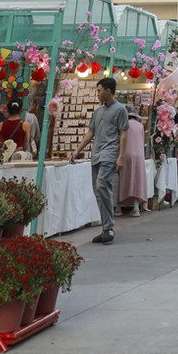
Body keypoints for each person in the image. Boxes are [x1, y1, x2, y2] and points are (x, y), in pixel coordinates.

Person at [69, 75, 129, 245]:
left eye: (99, 91)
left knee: (103, 184)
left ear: (108, 91)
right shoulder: (98, 112)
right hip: (96, 154)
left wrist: (121, 157)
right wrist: (77, 150)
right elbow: (90, 132)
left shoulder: (120, 110)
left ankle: (109, 227)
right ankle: (105, 228)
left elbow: (124, 133)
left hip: (110, 152)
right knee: (97, 189)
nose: (97, 94)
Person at [118, 103, 149, 216]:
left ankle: (119, 207)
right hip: (139, 155)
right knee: (137, 180)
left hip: (126, 154)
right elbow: (141, 141)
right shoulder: (140, 126)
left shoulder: (124, 124)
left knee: (124, 179)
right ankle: (136, 207)